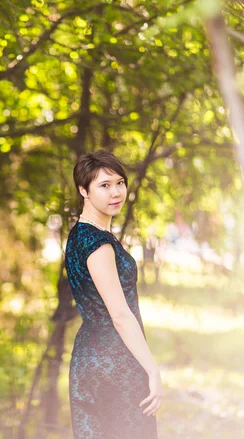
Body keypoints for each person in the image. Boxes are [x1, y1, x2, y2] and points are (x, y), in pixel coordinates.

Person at [64, 150, 161, 439]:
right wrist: (152, 369)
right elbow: (119, 315)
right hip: (114, 362)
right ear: (84, 190)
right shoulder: (98, 243)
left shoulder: (79, 234)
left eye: (119, 182)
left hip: (89, 358)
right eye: (104, 185)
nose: (115, 192)